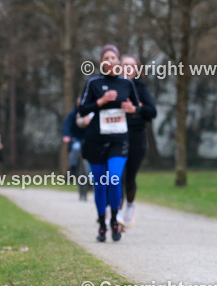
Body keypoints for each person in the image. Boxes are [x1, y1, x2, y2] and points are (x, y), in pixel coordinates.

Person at [77, 44, 140, 242]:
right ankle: (101, 224)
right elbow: (82, 110)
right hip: (96, 140)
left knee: (113, 179)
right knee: (100, 184)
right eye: (106, 58)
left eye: (113, 58)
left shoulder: (126, 83)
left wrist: (131, 109)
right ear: (101, 62)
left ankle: (114, 219)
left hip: (118, 140)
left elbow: (136, 106)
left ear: (118, 61)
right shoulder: (93, 82)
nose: (110, 61)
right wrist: (101, 101)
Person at [120, 55, 158, 228]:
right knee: (117, 177)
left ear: (137, 70)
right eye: (125, 65)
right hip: (117, 136)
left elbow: (152, 111)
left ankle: (129, 206)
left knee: (130, 178)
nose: (128, 69)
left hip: (136, 137)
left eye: (132, 66)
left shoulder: (141, 87)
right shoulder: (113, 86)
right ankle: (116, 214)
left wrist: (135, 109)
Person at [62, 107, 90, 201]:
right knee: (76, 147)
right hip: (75, 139)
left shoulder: (90, 112)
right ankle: (73, 167)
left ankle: (90, 180)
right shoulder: (72, 114)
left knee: (90, 159)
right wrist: (66, 136)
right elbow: (66, 126)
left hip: (87, 139)